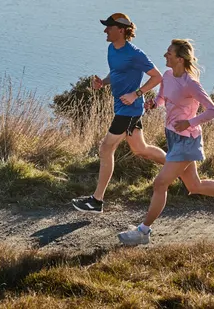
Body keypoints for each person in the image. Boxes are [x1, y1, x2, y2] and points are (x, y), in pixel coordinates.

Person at [118, 39, 214, 246]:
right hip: (173, 136)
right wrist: (154, 104)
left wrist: (190, 122)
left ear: (180, 59)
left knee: (160, 183)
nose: (165, 55)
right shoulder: (167, 76)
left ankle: (143, 231)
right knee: (194, 185)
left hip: (187, 140)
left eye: (169, 53)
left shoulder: (190, 84)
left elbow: (213, 111)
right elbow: (162, 98)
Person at [71, 12, 166, 213]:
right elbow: (116, 73)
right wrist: (103, 83)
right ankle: (178, 167)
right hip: (123, 108)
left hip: (129, 109)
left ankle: (96, 201)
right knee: (141, 149)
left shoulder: (135, 54)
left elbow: (157, 77)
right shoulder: (111, 49)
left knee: (106, 148)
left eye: (109, 27)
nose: (105, 30)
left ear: (121, 30)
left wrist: (136, 93)